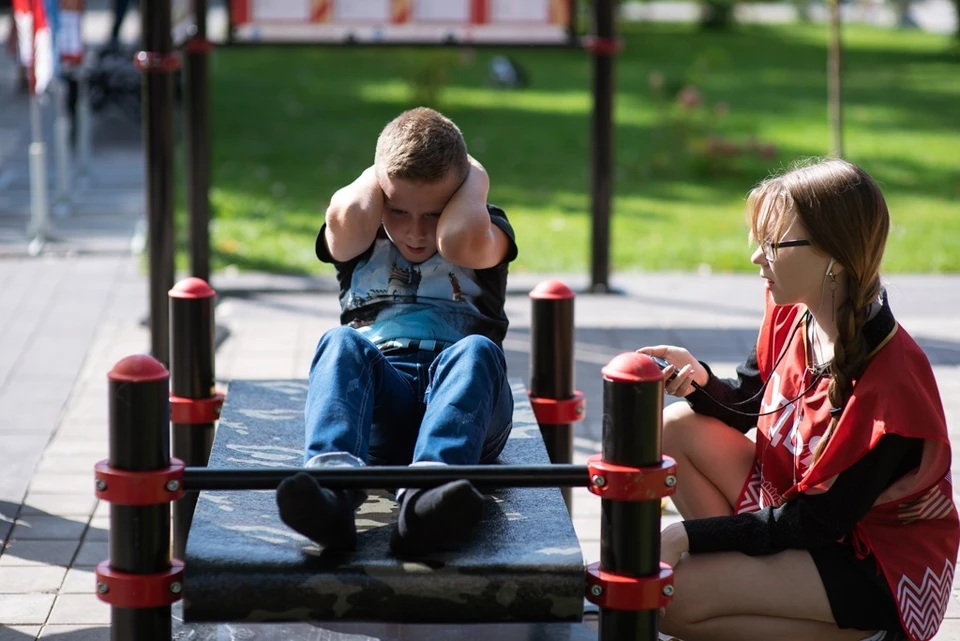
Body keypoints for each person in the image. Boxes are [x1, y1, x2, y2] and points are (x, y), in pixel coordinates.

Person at [639, 158, 958, 641]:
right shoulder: (796, 312)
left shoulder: (894, 382)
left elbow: (813, 523)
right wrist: (698, 379)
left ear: (834, 254)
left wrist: (686, 537)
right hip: (796, 514)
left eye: (773, 243)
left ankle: (867, 635)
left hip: (872, 564)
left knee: (672, 601)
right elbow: (752, 403)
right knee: (675, 427)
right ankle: (737, 581)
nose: (756, 258)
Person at [275, 107, 517, 558]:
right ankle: (332, 491)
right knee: (338, 342)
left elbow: (458, 240)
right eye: (399, 210)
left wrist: (475, 176)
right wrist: (379, 172)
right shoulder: (361, 231)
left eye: (434, 213)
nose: (416, 233)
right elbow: (344, 216)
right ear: (380, 194)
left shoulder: (483, 225)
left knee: (478, 351)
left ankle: (429, 498)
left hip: (466, 405)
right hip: (383, 400)